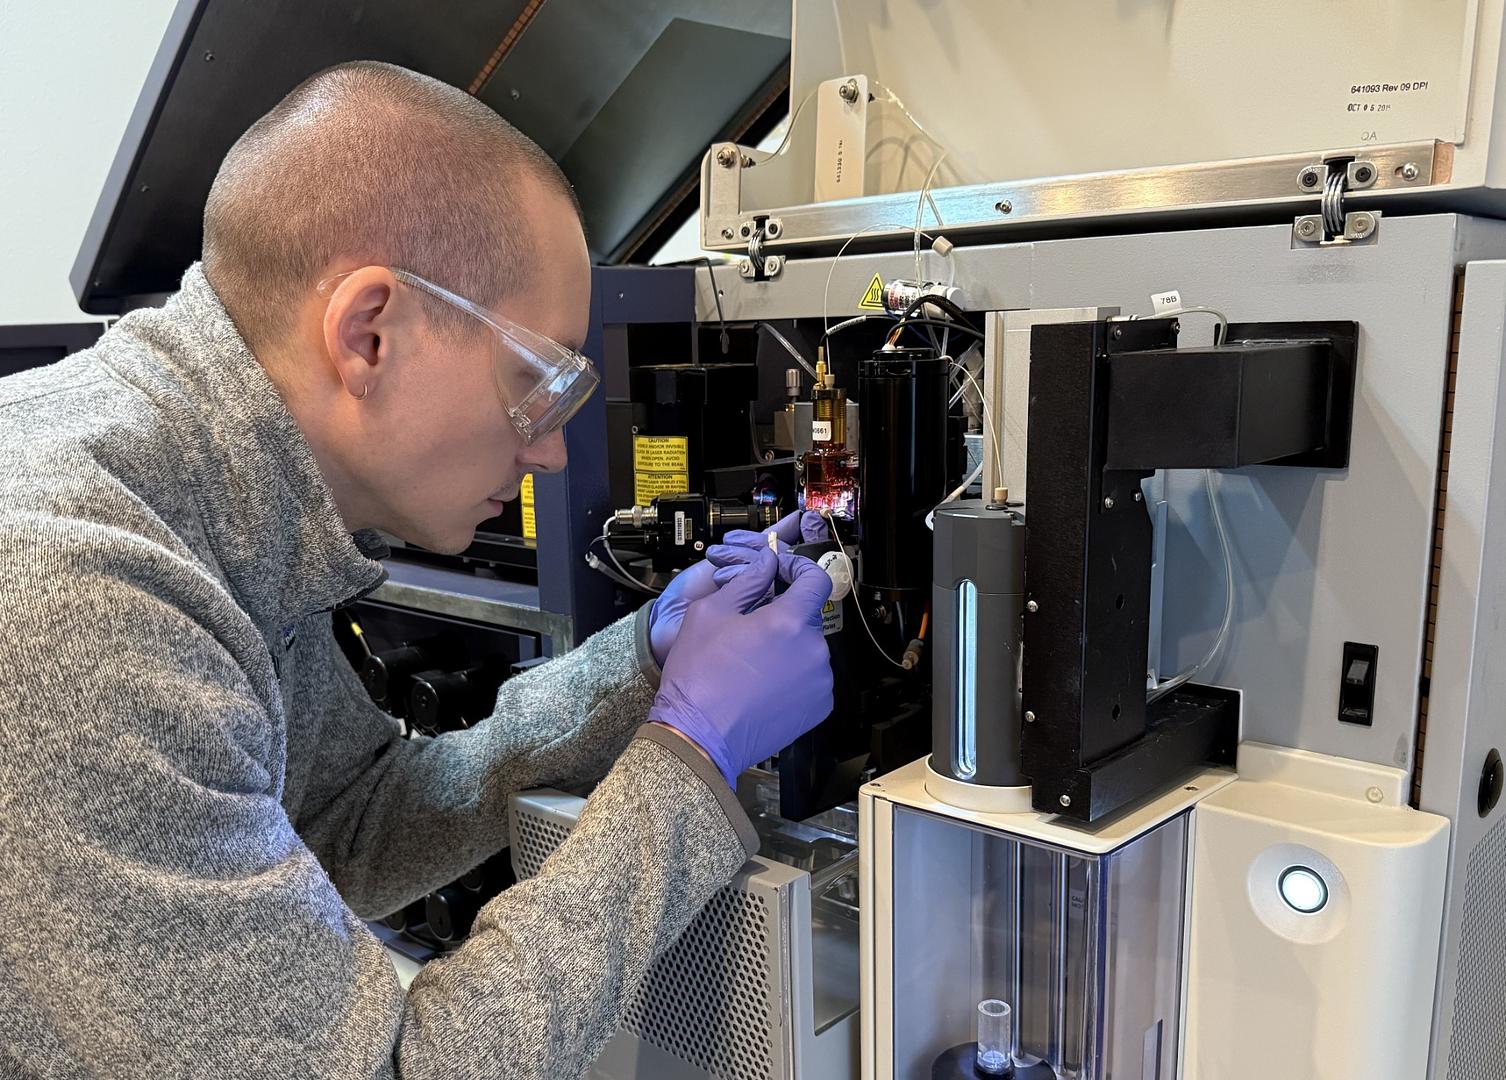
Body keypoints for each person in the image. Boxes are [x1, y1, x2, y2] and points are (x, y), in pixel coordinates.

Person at [0, 61, 836, 1078]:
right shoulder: (85, 597)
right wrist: (689, 758)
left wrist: (643, 665)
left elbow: (343, 825)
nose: (552, 454)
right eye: (542, 383)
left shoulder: (217, 505)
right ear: (369, 333)